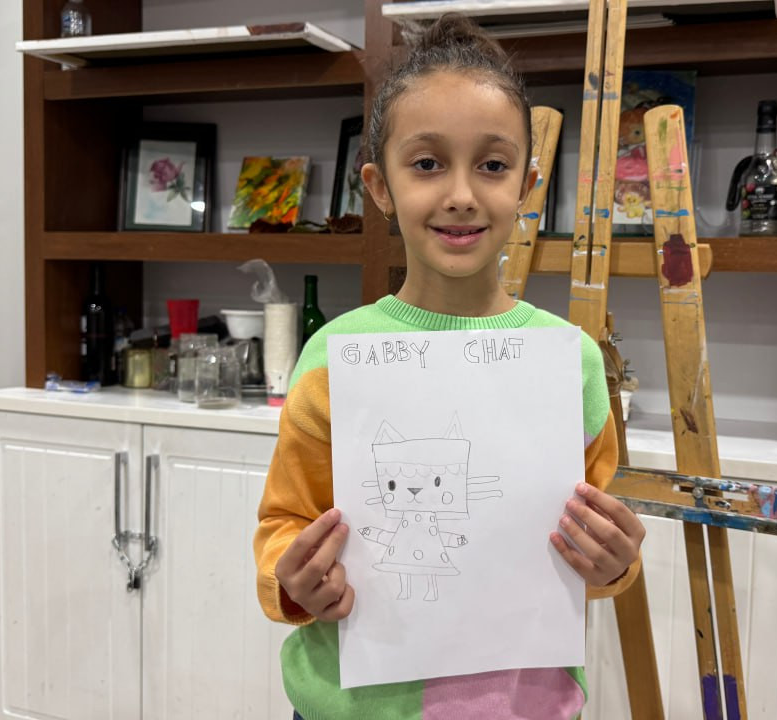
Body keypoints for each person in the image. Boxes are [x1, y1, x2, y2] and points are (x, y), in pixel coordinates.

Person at [252, 13, 646, 720]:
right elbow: (285, 522)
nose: (462, 194)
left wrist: (615, 561)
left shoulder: (571, 365)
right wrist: (295, 579)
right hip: (354, 707)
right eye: (427, 163)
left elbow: (594, 542)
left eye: (492, 166)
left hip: (522, 707)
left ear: (526, 185)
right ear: (379, 186)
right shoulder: (333, 360)